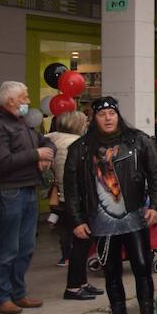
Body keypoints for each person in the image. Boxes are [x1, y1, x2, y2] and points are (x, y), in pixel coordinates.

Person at [65, 96, 157, 314]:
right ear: (93, 118)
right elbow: (72, 189)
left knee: (143, 270)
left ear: (118, 115)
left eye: (111, 113)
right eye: (102, 114)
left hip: (134, 219)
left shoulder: (138, 140)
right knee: (111, 273)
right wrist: (76, 220)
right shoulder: (80, 149)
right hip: (101, 223)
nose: (108, 118)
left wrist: (155, 206)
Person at [0, 81, 54, 314]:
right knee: (8, 246)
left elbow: (46, 141)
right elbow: (0, 161)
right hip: (8, 190)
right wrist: (36, 154)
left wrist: (46, 154)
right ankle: (1, 295)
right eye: (24, 97)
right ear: (10, 100)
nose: (28, 101)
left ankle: (16, 291)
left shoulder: (22, 124)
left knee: (26, 245)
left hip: (28, 187)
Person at [47, 110, 99, 301]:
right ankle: (74, 287)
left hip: (66, 197)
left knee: (81, 244)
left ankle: (81, 282)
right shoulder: (73, 144)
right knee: (81, 243)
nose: (86, 124)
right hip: (75, 198)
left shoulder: (54, 141)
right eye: (84, 121)